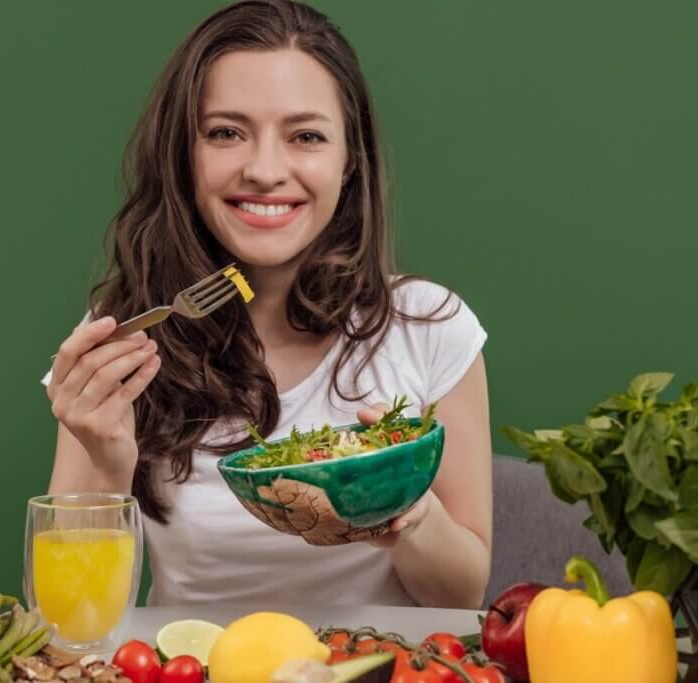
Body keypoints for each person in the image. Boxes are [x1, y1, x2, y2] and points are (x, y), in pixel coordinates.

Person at [41, 0, 492, 609]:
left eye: (305, 136)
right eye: (226, 133)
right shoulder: (122, 339)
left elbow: (462, 597)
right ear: (185, 154)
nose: (264, 170)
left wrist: (406, 504)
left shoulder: (428, 327)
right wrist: (105, 459)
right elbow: (73, 615)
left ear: (349, 161)